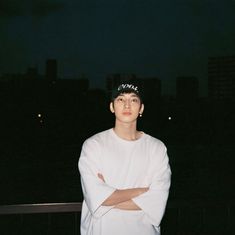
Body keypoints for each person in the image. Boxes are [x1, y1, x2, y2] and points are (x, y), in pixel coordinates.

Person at [78, 83, 171, 235]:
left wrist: (109, 196)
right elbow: (96, 197)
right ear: (111, 107)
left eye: (133, 100)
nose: (127, 105)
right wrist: (143, 191)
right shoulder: (94, 145)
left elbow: (157, 200)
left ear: (141, 108)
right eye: (120, 100)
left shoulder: (157, 148)